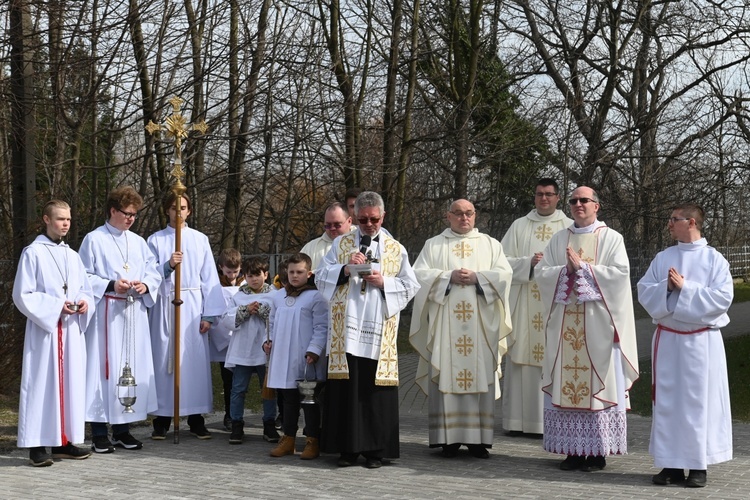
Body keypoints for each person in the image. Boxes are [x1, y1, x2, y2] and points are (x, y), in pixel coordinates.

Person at [535, 186, 639, 472]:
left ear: (597, 205)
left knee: (596, 384)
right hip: (566, 327)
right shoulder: (560, 238)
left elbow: (619, 277)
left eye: (584, 200)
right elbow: (541, 273)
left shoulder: (611, 238)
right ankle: (572, 450)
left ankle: (597, 453)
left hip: (599, 330)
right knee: (566, 384)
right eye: (574, 201)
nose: (578, 204)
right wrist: (565, 271)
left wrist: (584, 269)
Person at [315, 191, 420, 468]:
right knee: (346, 391)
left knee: (374, 391)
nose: (369, 224)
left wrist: (384, 281)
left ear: (383, 216)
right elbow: (320, 277)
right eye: (363, 219)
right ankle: (347, 450)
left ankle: (375, 451)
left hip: (377, 329)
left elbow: (411, 285)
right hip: (346, 331)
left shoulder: (396, 248)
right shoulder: (341, 243)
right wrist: (347, 269)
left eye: (374, 219)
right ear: (355, 217)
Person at [637, 203, 733, 488]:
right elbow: (644, 290)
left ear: (691, 222)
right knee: (668, 403)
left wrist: (685, 289)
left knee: (696, 404)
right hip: (668, 339)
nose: (669, 224)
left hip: (700, 342)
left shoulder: (715, 260)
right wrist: (666, 288)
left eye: (674, 219)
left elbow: (722, 299)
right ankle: (671, 465)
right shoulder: (664, 257)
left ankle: (697, 465)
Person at [409, 199, 512, 458]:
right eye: (458, 214)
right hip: (445, 327)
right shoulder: (433, 244)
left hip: (480, 327)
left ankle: (479, 441)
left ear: (475, 216)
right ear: (448, 216)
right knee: (446, 373)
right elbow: (417, 275)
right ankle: (448, 439)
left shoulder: (490, 244)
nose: (463, 218)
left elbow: (505, 275)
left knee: (480, 374)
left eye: (468, 213)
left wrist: (479, 277)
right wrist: (447, 277)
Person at [79, 186, 161, 454]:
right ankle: (100, 432)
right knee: (103, 371)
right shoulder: (94, 239)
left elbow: (154, 272)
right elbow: (84, 277)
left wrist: (145, 286)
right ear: (113, 210)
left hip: (133, 314)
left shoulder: (138, 242)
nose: (131, 219)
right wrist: (113, 284)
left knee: (129, 369)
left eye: (135, 215)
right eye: (127, 214)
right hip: (106, 314)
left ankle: (123, 430)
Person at [13, 200, 95, 466]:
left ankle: (64, 442)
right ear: (46, 220)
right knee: (41, 385)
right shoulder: (33, 253)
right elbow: (22, 294)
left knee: (70, 384)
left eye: (68, 219)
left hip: (70, 331)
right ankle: (36, 446)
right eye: (60, 219)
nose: (65, 224)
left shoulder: (73, 255)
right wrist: (55, 306)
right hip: (45, 331)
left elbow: (84, 288)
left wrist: (84, 302)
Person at [148, 192, 225, 440]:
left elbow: (210, 278)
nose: (178, 212)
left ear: (189, 211)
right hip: (165, 304)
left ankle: (195, 417)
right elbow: (148, 275)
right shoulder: (155, 240)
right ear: (167, 211)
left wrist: (209, 315)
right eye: (173, 208)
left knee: (192, 364)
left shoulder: (199, 239)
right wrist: (167, 267)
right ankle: (162, 418)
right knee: (164, 362)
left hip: (192, 306)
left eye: (182, 207)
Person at [500, 179, 572, 436]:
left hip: (555, 305)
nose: (544, 199)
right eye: (540, 194)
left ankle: (551, 422)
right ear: (534, 196)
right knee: (522, 359)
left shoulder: (569, 226)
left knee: (553, 359)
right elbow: (501, 262)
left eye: (549, 194)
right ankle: (518, 422)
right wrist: (528, 262)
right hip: (524, 302)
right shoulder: (520, 225)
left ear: (557, 197)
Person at [265, 253, 328, 460]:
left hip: (305, 358)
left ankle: (312, 440)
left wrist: (314, 350)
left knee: (309, 402)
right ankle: (288, 439)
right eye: (291, 272)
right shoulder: (278, 296)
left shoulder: (316, 297)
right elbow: (271, 323)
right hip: (283, 356)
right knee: (288, 401)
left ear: (308, 273)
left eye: (299, 272)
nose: (294, 276)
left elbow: (321, 327)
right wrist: (269, 341)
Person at [220, 256, 279, 444]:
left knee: (268, 389)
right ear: (245, 276)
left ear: (266, 275)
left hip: (265, 350)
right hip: (243, 350)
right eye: (250, 276)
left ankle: (269, 425)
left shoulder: (275, 295)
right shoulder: (239, 296)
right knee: (238, 389)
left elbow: (280, 317)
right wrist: (245, 310)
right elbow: (226, 320)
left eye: (258, 275)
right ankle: (236, 424)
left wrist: (262, 311)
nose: (254, 279)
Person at [211, 248, 246, 432]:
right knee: (228, 380)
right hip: (224, 340)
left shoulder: (246, 285)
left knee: (242, 380)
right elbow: (216, 314)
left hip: (243, 339)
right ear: (220, 268)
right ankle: (230, 415)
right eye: (228, 271)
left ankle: (238, 415)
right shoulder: (216, 287)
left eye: (235, 271)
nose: (232, 275)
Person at [301, 202, 352, 270]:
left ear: (349, 221)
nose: (332, 228)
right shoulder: (310, 248)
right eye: (328, 225)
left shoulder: (360, 242)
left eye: (337, 224)